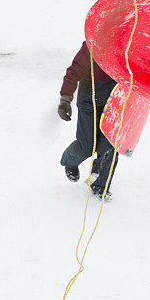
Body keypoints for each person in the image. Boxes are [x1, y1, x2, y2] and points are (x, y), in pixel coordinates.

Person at [58, 41, 118, 199]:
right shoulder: (94, 43)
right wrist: (65, 100)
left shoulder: (129, 46)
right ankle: (69, 161)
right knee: (87, 145)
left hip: (115, 101)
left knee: (109, 146)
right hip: (89, 100)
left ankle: (100, 187)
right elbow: (74, 71)